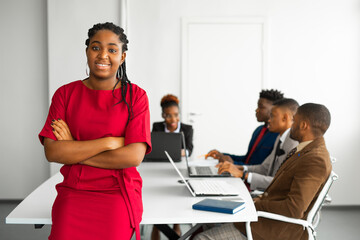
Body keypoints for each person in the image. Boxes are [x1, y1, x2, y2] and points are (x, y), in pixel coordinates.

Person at [38, 22, 151, 240]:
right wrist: (109, 142)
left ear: (123, 57)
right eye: (96, 47)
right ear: (87, 50)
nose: (103, 56)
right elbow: (53, 152)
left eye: (112, 49)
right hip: (74, 192)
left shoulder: (136, 97)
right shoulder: (64, 94)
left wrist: (73, 148)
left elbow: (133, 156)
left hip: (117, 194)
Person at [193, 103, 332, 240]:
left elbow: (294, 209)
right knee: (209, 220)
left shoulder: (315, 159)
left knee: (202, 238)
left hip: (274, 229)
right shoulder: (305, 150)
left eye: (294, 120)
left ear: (303, 125)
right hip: (265, 217)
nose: (291, 125)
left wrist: (255, 203)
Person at [217, 98, 299, 191]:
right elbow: (264, 168)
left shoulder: (294, 143)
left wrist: (244, 175)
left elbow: (281, 183)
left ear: (285, 118)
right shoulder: (280, 138)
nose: (269, 120)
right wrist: (239, 168)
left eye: (272, 116)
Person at [206, 89, 284, 165]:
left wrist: (233, 164)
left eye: (261, 107)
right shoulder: (258, 130)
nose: (257, 110)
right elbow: (247, 160)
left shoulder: (278, 135)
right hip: (244, 174)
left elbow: (263, 168)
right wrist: (221, 155)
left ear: (274, 109)